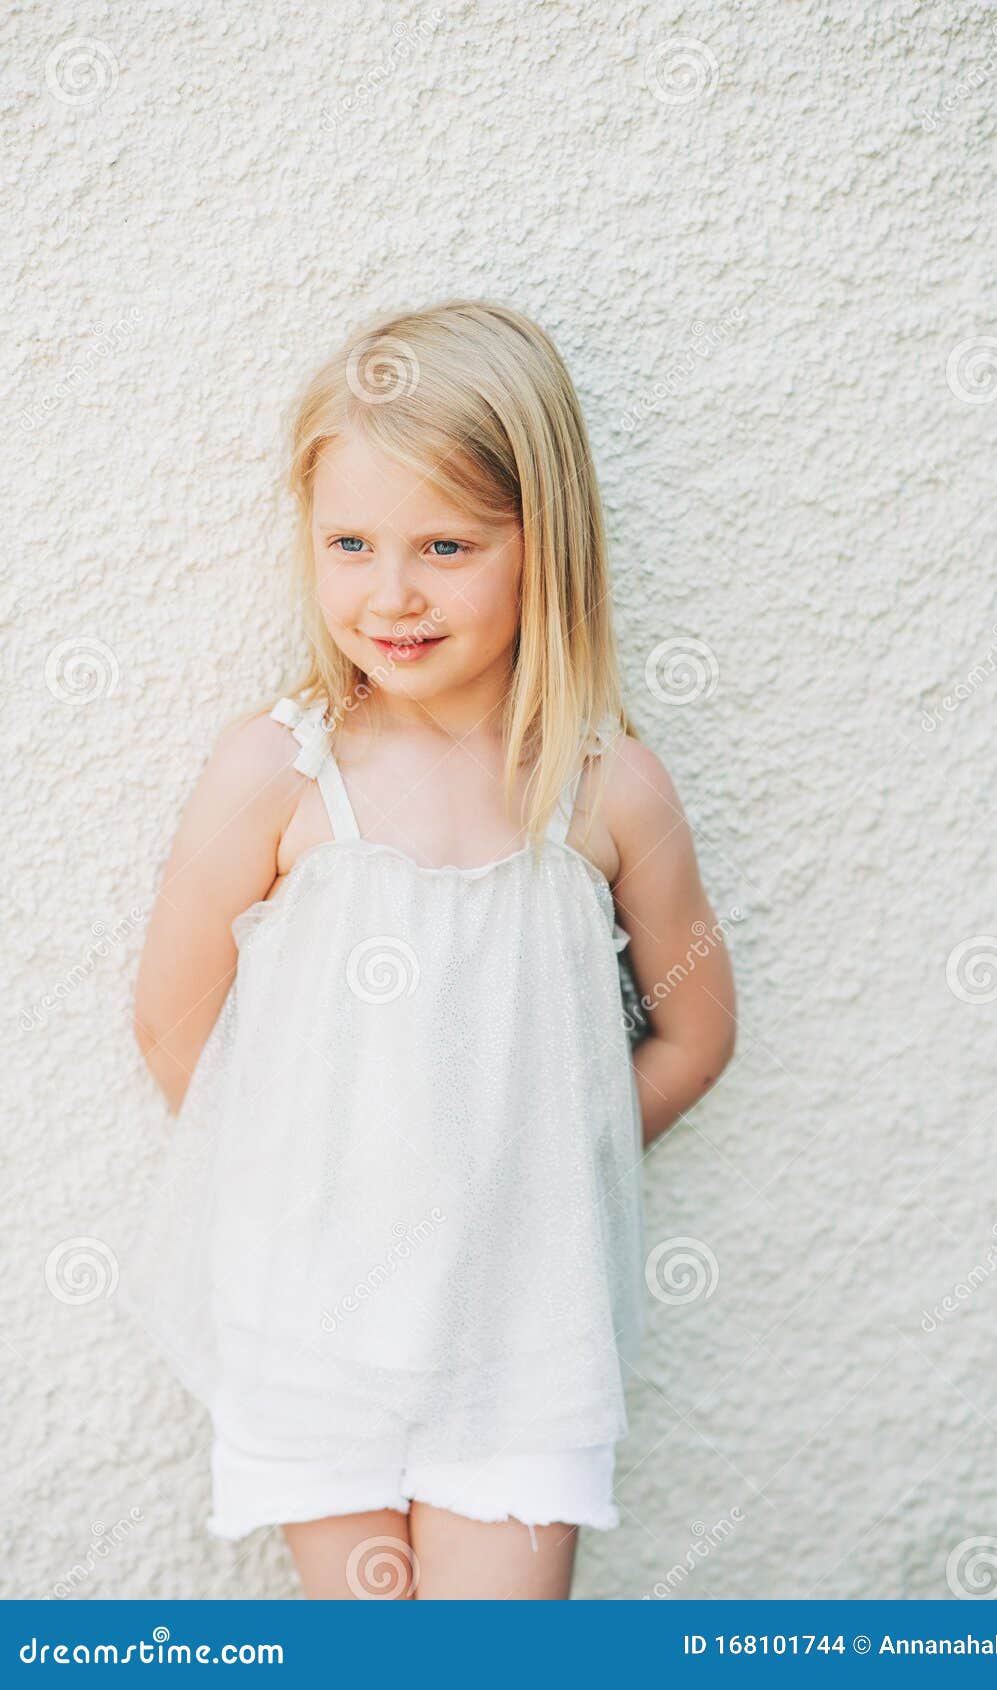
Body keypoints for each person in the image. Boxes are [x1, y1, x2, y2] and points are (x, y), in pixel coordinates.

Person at [121, 299, 737, 1600]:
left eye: (446, 545)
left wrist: (535, 1166)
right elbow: (175, 1024)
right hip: (314, 1326)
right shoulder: (278, 774)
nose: (387, 591)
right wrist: (319, 1189)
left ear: (542, 547)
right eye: (349, 541)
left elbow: (691, 1028)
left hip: (522, 1333)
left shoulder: (602, 787)